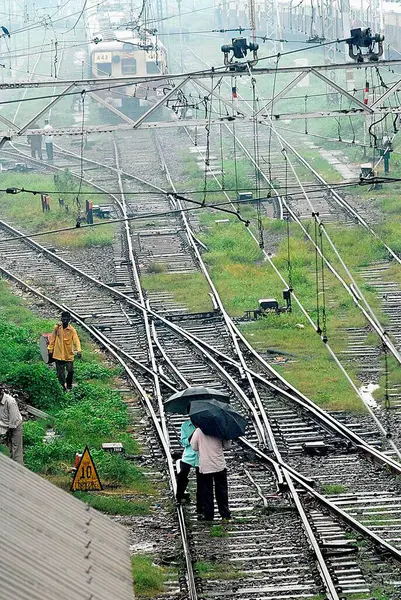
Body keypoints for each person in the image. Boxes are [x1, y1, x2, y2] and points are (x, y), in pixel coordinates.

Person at [191, 428, 231, 521]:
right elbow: (227, 446)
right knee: (221, 491)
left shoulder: (198, 431)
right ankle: (224, 513)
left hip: (205, 465)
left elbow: (194, 447)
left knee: (206, 492)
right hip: (219, 465)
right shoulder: (220, 429)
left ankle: (209, 515)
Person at [176, 406, 203, 516]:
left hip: (201, 456)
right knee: (182, 475)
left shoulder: (204, 425)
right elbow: (184, 442)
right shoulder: (185, 426)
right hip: (188, 455)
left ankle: (200, 506)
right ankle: (179, 496)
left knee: (201, 481)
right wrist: (194, 434)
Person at [47, 311, 82, 391]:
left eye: (67, 319)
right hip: (58, 354)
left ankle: (69, 384)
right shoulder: (57, 328)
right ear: (61, 319)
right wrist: (50, 349)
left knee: (70, 371)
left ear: (69, 320)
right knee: (60, 373)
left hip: (68, 355)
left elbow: (76, 340)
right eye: (64, 318)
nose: (65, 320)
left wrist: (79, 350)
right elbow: (52, 339)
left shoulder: (72, 330)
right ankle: (62, 386)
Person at [0, 386, 23, 464]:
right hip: (3, 424)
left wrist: (8, 433)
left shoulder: (10, 401)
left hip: (15, 425)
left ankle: (18, 470)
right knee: (8, 448)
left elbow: (13, 421)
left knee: (16, 449)